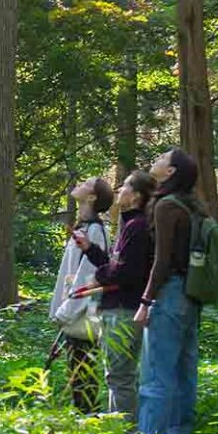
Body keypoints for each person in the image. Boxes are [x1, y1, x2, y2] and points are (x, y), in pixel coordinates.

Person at [134, 148, 207, 434]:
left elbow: (161, 261)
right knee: (184, 367)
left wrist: (146, 301)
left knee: (156, 369)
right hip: (192, 293)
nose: (157, 159)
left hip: (171, 292)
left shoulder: (166, 206)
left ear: (171, 171)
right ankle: (180, 433)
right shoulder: (194, 207)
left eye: (163, 158)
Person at [75, 168, 154, 420]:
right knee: (118, 374)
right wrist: (90, 250)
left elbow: (125, 272)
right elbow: (115, 265)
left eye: (126, 187)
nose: (120, 190)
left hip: (123, 310)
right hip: (120, 308)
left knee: (120, 375)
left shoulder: (137, 227)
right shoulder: (130, 225)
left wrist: (98, 277)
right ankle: (119, 429)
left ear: (137, 196)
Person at [49, 177, 113, 411]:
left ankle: (88, 418)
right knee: (76, 369)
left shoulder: (96, 230)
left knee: (83, 370)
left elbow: (89, 275)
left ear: (92, 197)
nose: (80, 183)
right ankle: (84, 417)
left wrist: (67, 310)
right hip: (75, 310)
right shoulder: (84, 227)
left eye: (87, 183)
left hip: (84, 312)